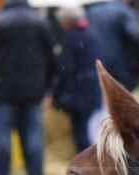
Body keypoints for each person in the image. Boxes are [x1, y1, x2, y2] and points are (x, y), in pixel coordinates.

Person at [0, 0, 57, 175]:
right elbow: (51, 55)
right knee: (33, 130)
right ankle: (36, 173)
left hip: (5, 86)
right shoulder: (39, 22)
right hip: (33, 87)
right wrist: (45, 83)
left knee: (3, 130)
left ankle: (2, 173)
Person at [53, 6, 104, 153]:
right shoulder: (91, 34)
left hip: (78, 92)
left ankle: (85, 167)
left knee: (80, 132)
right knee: (86, 130)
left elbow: (66, 69)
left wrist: (57, 93)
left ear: (67, 21)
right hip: (92, 89)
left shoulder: (72, 37)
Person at [85, 0, 139, 92]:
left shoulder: (90, 11)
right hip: (121, 68)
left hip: (95, 65)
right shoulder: (125, 12)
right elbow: (136, 37)